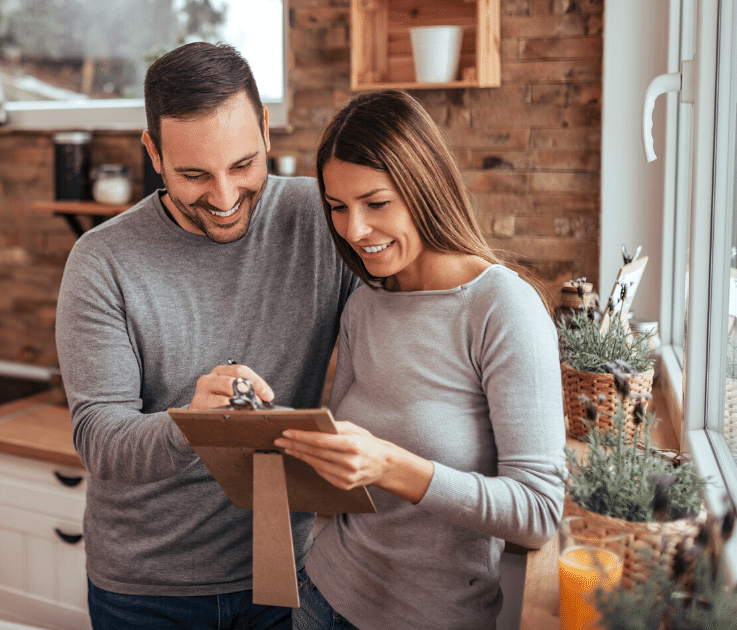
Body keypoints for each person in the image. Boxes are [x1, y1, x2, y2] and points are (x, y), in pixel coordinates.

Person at [54, 42, 361, 629]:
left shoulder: (322, 222)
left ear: (267, 129)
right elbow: (98, 437)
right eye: (194, 175)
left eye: (243, 166)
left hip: (281, 571)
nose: (223, 199)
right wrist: (191, 424)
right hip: (145, 590)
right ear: (153, 151)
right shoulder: (102, 261)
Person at [274, 90, 565, 630]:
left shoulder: (500, 307)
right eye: (338, 207)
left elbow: (538, 514)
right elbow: (348, 479)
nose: (354, 230)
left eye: (375, 203)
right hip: (321, 596)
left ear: (424, 187)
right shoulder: (366, 303)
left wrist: (394, 467)